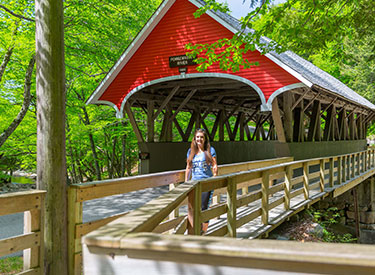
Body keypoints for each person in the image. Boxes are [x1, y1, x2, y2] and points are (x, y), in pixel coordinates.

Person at [185, 128, 218, 233]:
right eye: (197, 137)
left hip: (206, 183)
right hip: (194, 183)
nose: (199, 139)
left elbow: (214, 165)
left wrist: (215, 177)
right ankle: (195, 230)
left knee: (204, 207)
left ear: (205, 139)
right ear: (195, 138)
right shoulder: (191, 152)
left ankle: (203, 231)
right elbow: (189, 167)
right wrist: (186, 182)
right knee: (193, 208)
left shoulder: (210, 150)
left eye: (201, 137)